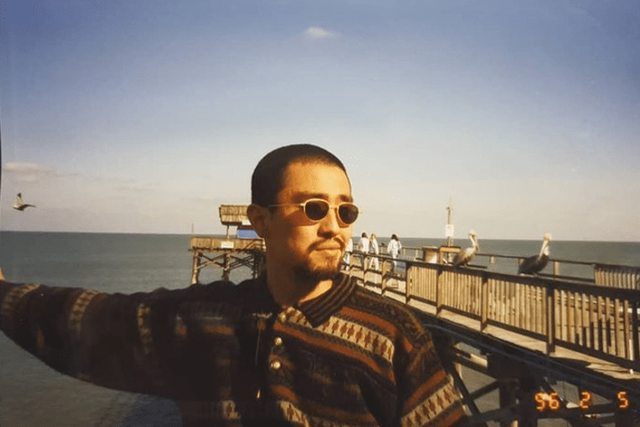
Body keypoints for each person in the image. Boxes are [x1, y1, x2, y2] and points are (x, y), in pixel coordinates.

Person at [0, 144, 466, 426]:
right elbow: (84, 320)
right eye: (314, 208)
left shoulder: (395, 334)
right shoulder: (201, 318)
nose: (334, 227)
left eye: (346, 211)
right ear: (259, 221)